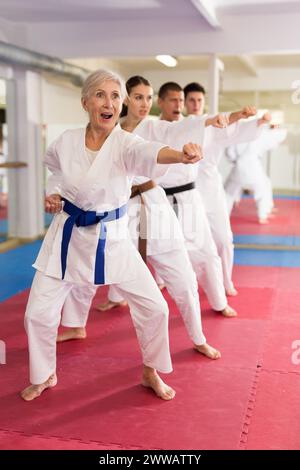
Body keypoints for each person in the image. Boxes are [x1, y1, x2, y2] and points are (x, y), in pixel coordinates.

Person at [20, 69, 203, 402]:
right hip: (67, 237)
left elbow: (152, 152)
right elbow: (55, 170)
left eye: (116, 96)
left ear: (121, 105)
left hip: (114, 238)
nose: (109, 103)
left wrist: (180, 154)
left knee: (156, 308)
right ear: (86, 102)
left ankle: (151, 370)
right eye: (101, 95)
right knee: (37, 313)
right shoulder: (65, 141)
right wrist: (54, 193)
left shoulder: (126, 143)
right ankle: (44, 374)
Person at [58, 75, 224, 360]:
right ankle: (75, 324)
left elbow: (178, 131)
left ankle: (198, 337)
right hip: (119, 213)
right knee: (86, 268)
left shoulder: (157, 127)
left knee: (182, 278)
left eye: (149, 98)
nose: (145, 104)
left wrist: (186, 151)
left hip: (154, 207)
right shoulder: (111, 131)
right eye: (138, 97)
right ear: (125, 99)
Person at [157, 82, 272, 311]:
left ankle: (225, 281)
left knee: (222, 239)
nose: (194, 104)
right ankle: (169, 280)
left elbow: (233, 130)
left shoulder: (211, 124)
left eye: (199, 100)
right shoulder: (176, 127)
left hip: (209, 189)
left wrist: (255, 121)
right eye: (189, 100)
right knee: (174, 242)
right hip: (180, 192)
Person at [225, 124, 287, 223]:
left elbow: (229, 152)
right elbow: (276, 137)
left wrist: (235, 161)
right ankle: (263, 215)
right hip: (253, 167)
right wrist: (276, 128)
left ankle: (224, 216)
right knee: (262, 189)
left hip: (239, 166)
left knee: (228, 193)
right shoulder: (259, 136)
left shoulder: (238, 137)